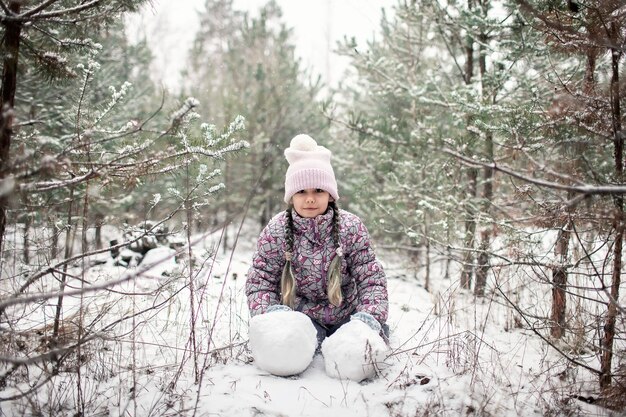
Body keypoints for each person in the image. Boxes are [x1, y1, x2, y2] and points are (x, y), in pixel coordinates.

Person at [245, 134, 389, 361]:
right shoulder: (277, 230)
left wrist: (368, 317)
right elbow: (260, 280)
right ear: (291, 196)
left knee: (359, 357)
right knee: (286, 356)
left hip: (348, 317)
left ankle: (355, 347)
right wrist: (272, 314)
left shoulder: (350, 227)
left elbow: (370, 277)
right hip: (301, 319)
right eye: (302, 191)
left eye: (318, 191)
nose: (310, 199)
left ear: (330, 195)